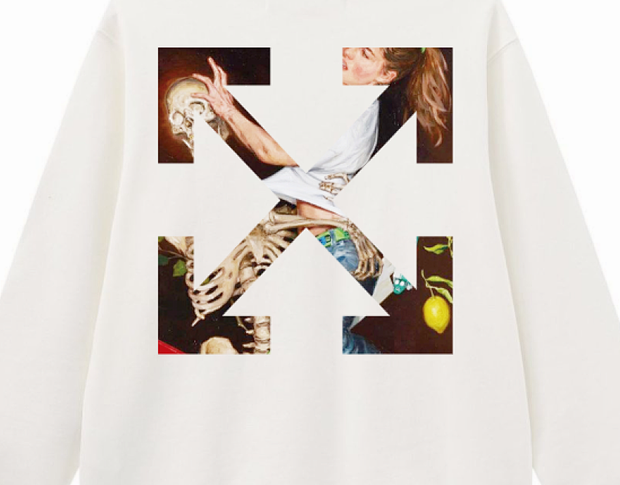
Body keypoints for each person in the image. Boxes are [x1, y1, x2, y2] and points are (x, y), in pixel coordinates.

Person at [191, 48, 451, 353]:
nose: (348, 53)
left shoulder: (352, 121)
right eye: (354, 45)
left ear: (385, 76)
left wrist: (226, 109)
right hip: (328, 244)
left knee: (325, 342)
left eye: (366, 55)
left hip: (340, 248)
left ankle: (388, 377)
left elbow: (269, 151)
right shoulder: (346, 107)